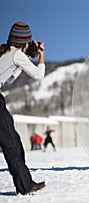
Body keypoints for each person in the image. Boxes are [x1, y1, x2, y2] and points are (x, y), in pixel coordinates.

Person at [0, 22, 45, 195]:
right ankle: (25, 186)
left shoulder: (6, 52)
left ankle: (26, 182)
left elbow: (7, 80)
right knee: (11, 143)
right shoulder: (16, 54)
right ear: (25, 41)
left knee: (13, 141)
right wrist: (41, 55)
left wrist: (23, 63)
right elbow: (39, 75)